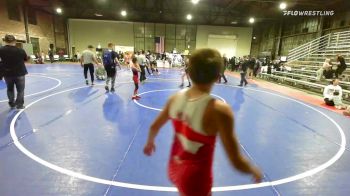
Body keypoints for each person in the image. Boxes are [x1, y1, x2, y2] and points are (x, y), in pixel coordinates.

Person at [143, 48, 262, 196]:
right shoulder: (218, 110)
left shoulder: (174, 99)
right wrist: (253, 170)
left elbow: (154, 126)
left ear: (190, 73)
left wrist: (150, 143)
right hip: (196, 179)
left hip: (175, 167)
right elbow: (235, 160)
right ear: (218, 77)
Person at [0, 34, 29, 109]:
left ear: (5, 41)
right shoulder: (20, 50)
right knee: (20, 90)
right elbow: (26, 59)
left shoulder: (1, 50)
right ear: (14, 41)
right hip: (20, 73)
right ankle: (19, 105)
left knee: (10, 89)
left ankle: (11, 103)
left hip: (7, 74)